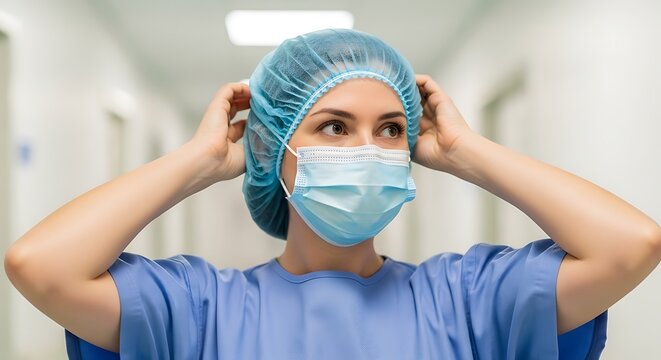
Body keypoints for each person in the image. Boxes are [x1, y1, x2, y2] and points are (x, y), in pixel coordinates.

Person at [4, 28, 660, 359]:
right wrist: (199, 159)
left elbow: (630, 245)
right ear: (274, 149)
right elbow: (40, 265)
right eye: (334, 127)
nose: (368, 149)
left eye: (391, 129)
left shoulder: (469, 299)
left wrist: (466, 152)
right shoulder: (197, 310)